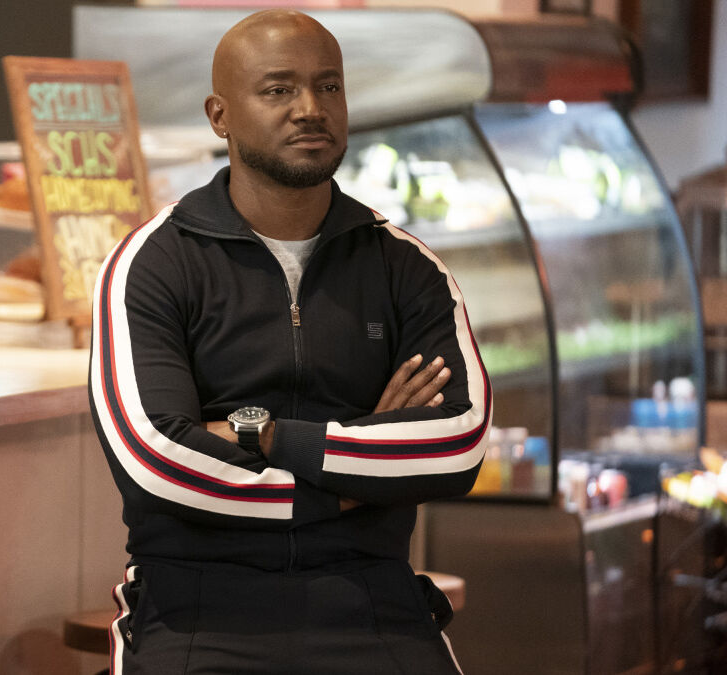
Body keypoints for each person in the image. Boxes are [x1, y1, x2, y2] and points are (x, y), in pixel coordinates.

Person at [88, 9, 490, 675]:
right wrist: (354, 479)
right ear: (220, 116)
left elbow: (456, 444)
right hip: (195, 612)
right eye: (278, 89)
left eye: (328, 87)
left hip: (373, 602)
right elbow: (157, 460)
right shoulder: (151, 263)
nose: (310, 108)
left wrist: (267, 436)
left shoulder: (406, 266)